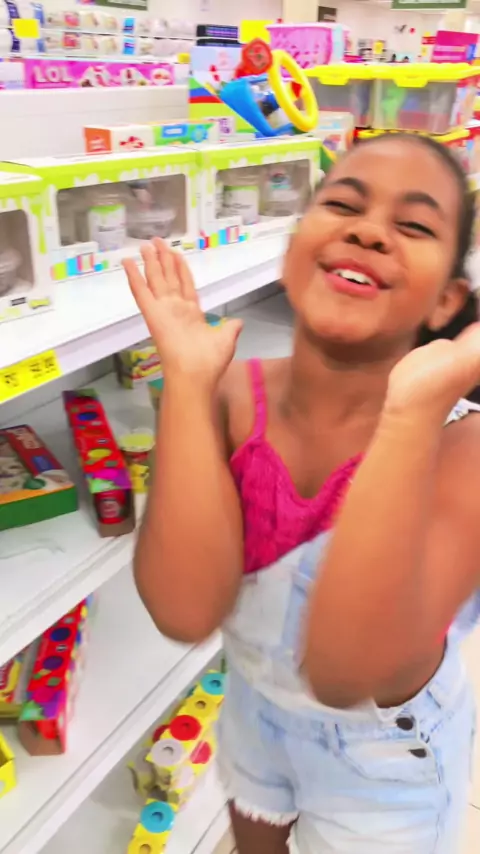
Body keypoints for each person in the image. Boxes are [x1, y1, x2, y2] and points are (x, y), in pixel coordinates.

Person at [123, 133, 480, 854]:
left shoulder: (460, 449)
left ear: (448, 299)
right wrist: (185, 382)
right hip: (253, 710)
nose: (369, 231)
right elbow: (183, 609)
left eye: (413, 225)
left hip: (388, 760)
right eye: (343, 205)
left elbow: (346, 673)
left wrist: (410, 413)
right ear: (291, 252)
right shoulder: (227, 392)